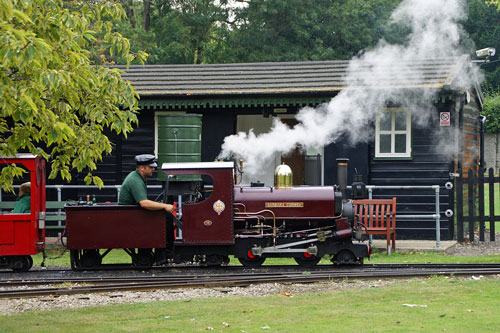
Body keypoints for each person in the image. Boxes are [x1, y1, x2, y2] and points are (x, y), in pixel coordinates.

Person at [118, 154, 175, 264]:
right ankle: (164, 253)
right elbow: (143, 203)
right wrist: (165, 206)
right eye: (150, 167)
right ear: (142, 168)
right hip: (130, 219)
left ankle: (163, 253)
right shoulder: (136, 180)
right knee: (165, 216)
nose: (153, 169)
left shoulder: (137, 177)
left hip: (131, 216)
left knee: (163, 215)